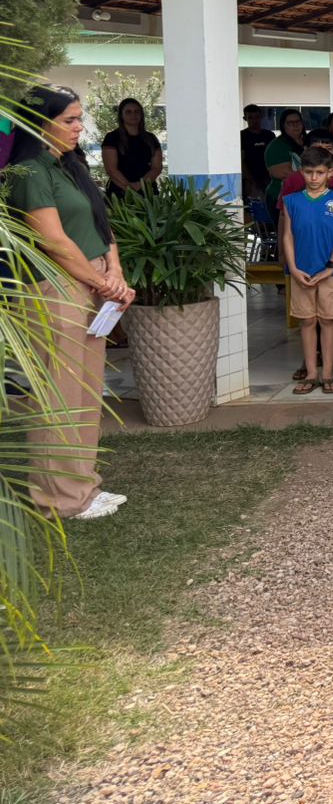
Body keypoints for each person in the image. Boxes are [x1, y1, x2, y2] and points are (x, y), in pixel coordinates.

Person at [10, 85, 135, 521]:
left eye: (80, 118)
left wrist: (115, 273)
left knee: (84, 391)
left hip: (93, 283)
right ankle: (58, 498)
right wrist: (103, 282)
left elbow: (101, 225)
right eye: (69, 119)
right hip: (56, 289)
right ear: (39, 123)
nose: (79, 127)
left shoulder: (69, 166)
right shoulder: (28, 172)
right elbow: (54, 241)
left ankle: (82, 487)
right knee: (59, 394)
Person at [281, 128, 333, 379]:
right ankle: (310, 372)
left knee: (330, 318)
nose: (314, 177)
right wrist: (292, 266)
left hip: (331, 270)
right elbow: (287, 234)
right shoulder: (291, 198)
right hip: (301, 271)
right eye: (309, 172)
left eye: (320, 172)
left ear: (330, 171)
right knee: (307, 321)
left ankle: (330, 371)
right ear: (301, 171)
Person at [100, 97, 162, 198]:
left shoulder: (151, 138)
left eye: (137, 111)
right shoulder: (112, 138)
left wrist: (140, 185)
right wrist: (129, 187)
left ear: (141, 115)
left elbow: (157, 168)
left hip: (148, 192)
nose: (133, 115)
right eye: (128, 112)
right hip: (120, 191)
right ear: (121, 115)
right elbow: (111, 169)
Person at [263, 109, 305, 210]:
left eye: (298, 122)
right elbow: (284, 173)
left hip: (305, 196)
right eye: (290, 123)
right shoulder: (277, 145)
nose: (295, 125)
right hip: (280, 196)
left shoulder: (308, 142)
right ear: (283, 126)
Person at [240, 104, 276, 200]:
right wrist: (252, 181)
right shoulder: (242, 136)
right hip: (250, 181)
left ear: (261, 117)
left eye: (257, 117)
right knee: (253, 206)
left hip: (269, 179)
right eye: (250, 118)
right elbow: (241, 161)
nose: (254, 120)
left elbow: (275, 157)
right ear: (245, 119)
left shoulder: (269, 135)